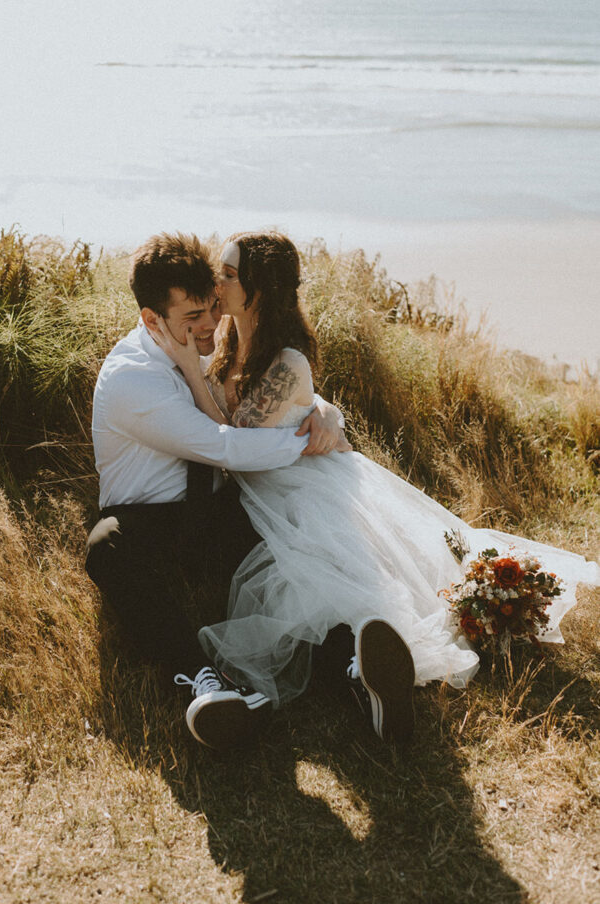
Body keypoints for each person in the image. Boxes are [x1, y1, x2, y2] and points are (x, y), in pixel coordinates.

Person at [152, 231, 600, 744]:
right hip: (264, 489)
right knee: (313, 581)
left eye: (229, 274)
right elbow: (265, 418)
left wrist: (195, 376)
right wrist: (322, 408)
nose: (217, 281)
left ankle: (371, 667)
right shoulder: (231, 342)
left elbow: (233, 439)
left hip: (302, 486)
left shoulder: (286, 360)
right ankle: (361, 672)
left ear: (261, 288)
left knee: (334, 575)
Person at [85, 232, 349, 752]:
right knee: (105, 548)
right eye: (192, 319)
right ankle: (202, 682)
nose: (208, 325)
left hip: (212, 510)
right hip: (148, 518)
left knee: (285, 530)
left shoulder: (200, 348)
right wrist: (301, 444)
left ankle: (349, 659)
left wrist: (324, 413)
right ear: (151, 321)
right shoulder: (132, 380)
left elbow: (261, 394)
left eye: (210, 308)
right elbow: (223, 444)